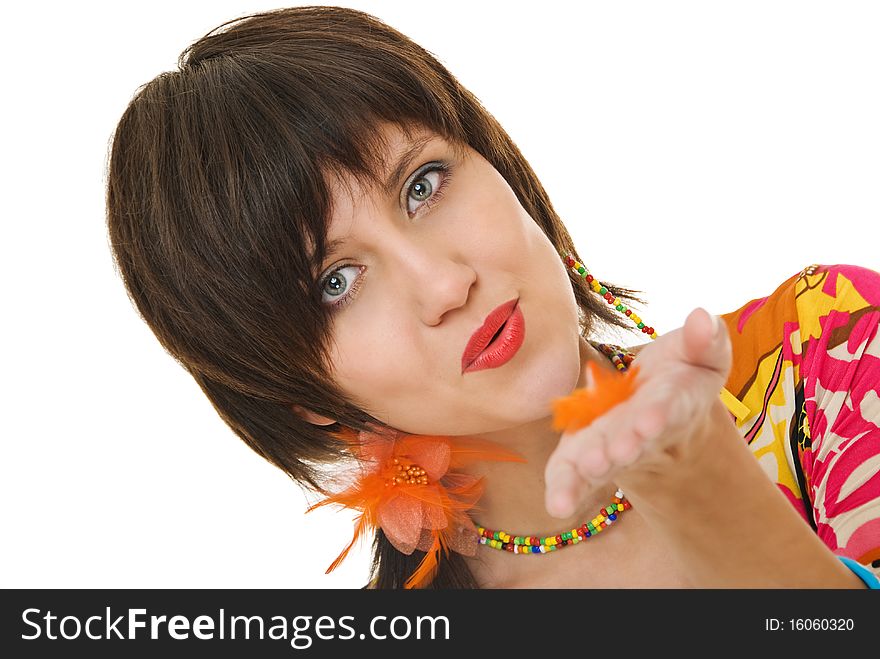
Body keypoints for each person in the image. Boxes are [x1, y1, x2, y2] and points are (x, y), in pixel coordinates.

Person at [105, 5, 880, 589]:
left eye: (423, 183)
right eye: (335, 283)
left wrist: (708, 484)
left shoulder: (831, 352)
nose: (446, 284)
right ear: (301, 392)